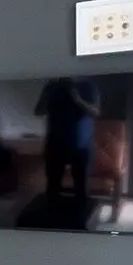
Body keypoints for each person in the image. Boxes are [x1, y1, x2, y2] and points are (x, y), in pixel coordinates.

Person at [34, 78, 100, 213]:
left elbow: (96, 112)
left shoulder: (87, 86)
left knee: (80, 188)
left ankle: (80, 220)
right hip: (54, 144)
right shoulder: (51, 86)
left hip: (81, 145)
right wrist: (46, 97)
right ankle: (52, 219)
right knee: (52, 187)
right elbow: (38, 111)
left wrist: (78, 100)